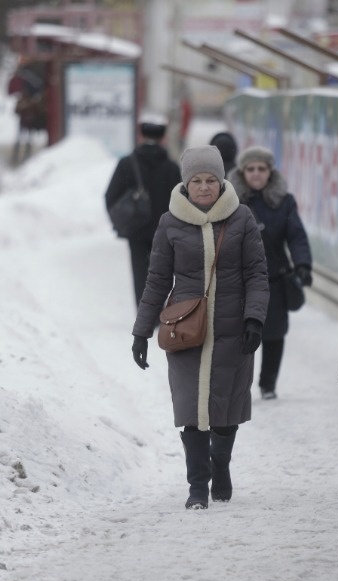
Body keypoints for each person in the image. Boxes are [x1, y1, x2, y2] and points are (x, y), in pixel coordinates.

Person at [131, 145, 269, 510]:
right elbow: (157, 280)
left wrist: (254, 318)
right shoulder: (169, 223)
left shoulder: (242, 218)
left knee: (225, 410)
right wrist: (141, 332)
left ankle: (220, 464)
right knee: (191, 410)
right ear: (186, 184)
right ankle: (197, 486)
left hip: (233, 330)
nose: (205, 187)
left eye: (211, 180)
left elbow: (257, 274)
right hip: (186, 331)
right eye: (197, 181)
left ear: (222, 181)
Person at [227, 146, 312, 400]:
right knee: (239, 333)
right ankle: (239, 383)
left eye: (261, 169)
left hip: (274, 278)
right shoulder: (230, 201)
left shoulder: (284, 201)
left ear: (270, 172)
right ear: (242, 172)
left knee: (274, 333)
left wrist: (303, 264)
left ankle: (268, 383)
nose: (256, 174)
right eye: (250, 169)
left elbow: (296, 235)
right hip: (239, 280)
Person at [104, 114, 182, 307]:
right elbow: (182, 200)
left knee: (140, 270)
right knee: (161, 270)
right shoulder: (171, 167)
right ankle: (158, 308)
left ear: (140, 135)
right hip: (164, 230)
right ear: (163, 137)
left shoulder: (127, 164)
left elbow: (110, 195)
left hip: (135, 229)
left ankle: (144, 310)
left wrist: (121, 221)